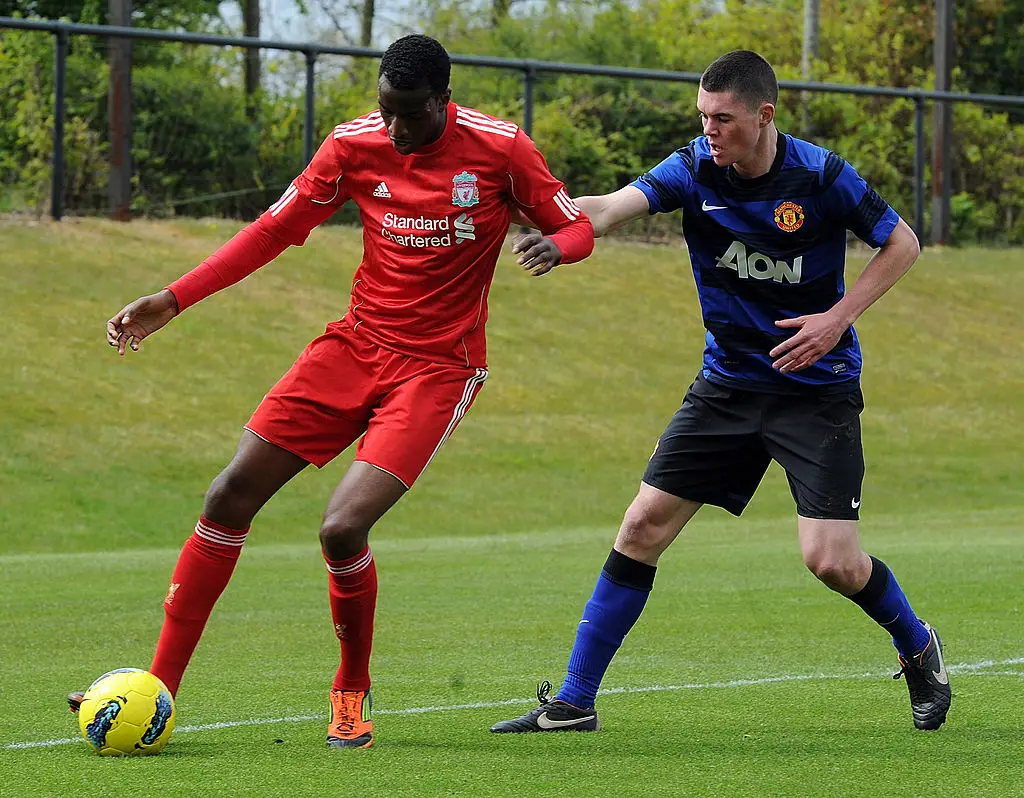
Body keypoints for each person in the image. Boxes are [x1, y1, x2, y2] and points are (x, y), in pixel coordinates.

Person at [67, 33, 594, 750]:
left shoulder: (501, 149)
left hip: (438, 368)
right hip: (352, 347)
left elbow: (576, 226)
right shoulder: (355, 144)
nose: (397, 130)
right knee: (227, 497)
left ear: (444, 100)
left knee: (341, 528)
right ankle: (156, 692)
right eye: (387, 112)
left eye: (411, 114)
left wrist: (553, 246)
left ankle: (350, 689)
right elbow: (273, 231)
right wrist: (174, 298)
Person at [490, 49, 950, 735]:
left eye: (724, 119)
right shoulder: (693, 168)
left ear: (764, 117)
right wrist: (553, 229)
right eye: (704, 116)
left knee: (831, 562)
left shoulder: (822, 176)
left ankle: (918, 646)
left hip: (813, 392)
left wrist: (837, 319)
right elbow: (612, 207)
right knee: (642, 526)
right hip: (728, 387)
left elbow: (903, 242)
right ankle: (575, 701)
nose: (711, 130)